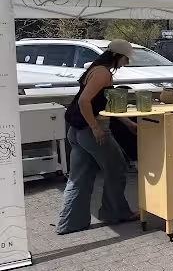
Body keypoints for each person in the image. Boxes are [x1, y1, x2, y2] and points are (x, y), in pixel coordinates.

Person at [56, 40, 139, 235]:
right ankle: (115, 212)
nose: (126, 63)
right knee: (117, 167)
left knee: (79, 178)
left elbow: (102, 103)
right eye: (126, 58)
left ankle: (69, 223)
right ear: (117, 56)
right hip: (91, 131)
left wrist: (127, 123)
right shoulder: (103, 73)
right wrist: (95, 129)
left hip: (76, 130)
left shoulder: (95, 69)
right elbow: (85, 101)